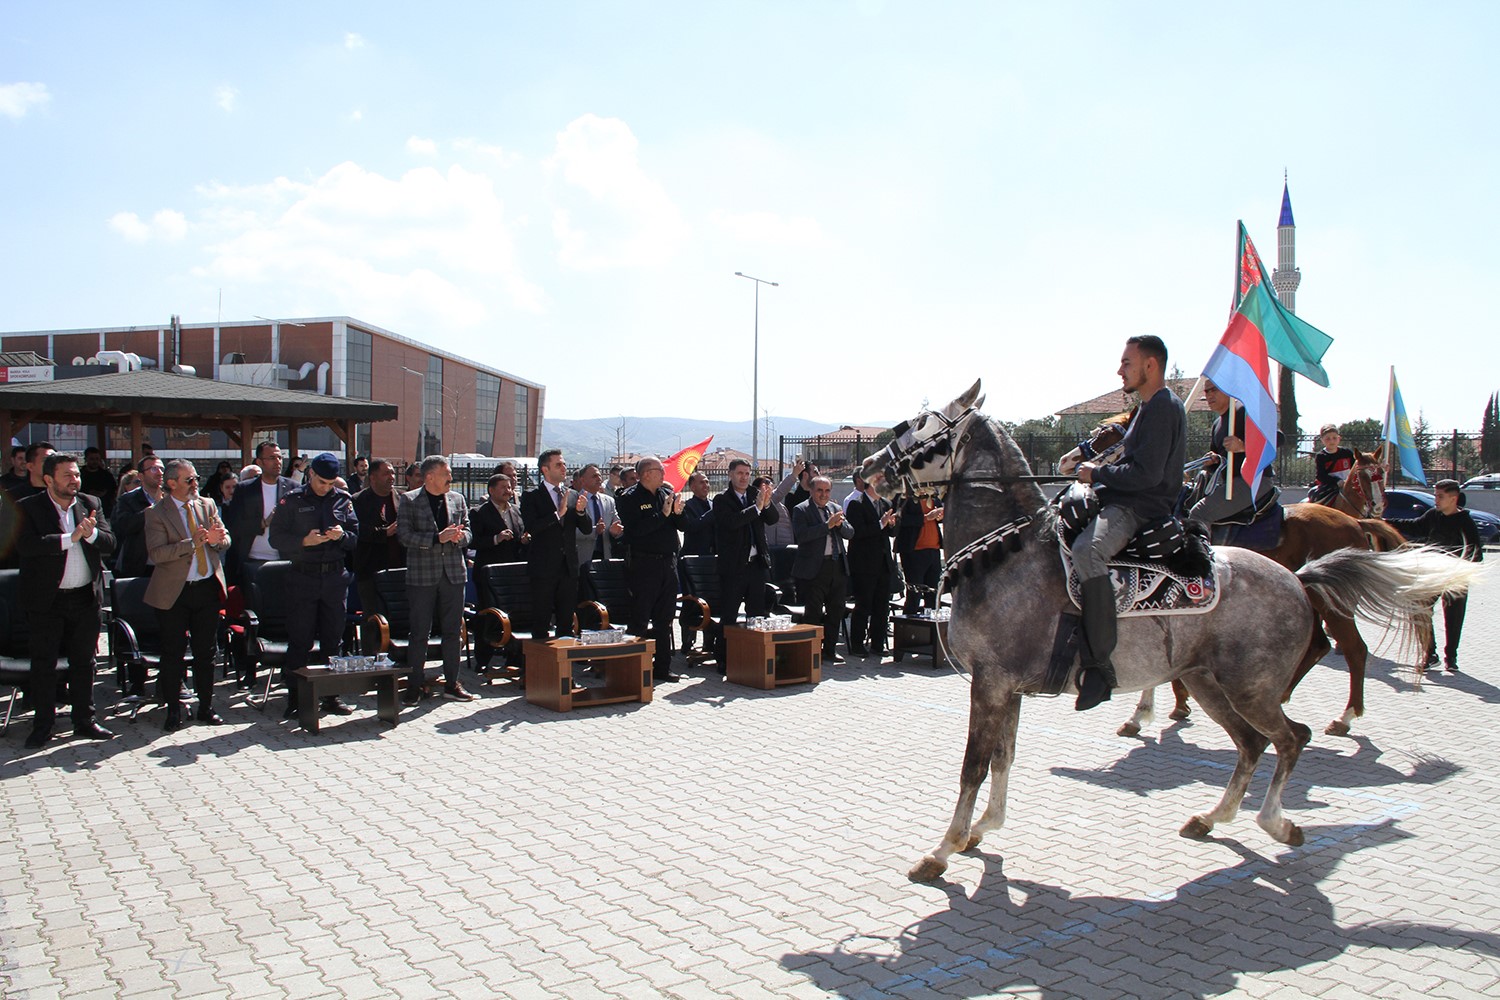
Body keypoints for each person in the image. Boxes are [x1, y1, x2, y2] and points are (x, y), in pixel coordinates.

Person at [1072, 335, 1186, 711]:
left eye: (1126, 363)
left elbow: (1147, 475)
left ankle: (1098, 666)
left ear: (1150, 365)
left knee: (1087, 551)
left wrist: (1097, 473)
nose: (1119, 370)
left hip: (1138, 508)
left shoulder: (1162, 407)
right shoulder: (1148, 407)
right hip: (1123, 499)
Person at [16, 453, 116, 748]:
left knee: (84, 663)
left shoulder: (91, 504)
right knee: (44, 664)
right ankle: (43, 725)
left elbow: (110, 543)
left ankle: (85, 720)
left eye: (76, 474)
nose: (75, 480)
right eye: (68, 475)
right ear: (49, 479)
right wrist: (68, 538)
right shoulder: (28, 507)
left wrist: (91, 535)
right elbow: (25, 545)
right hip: (47, 601)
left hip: (85, 597)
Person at [268, 453, 359, 720]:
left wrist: (341, 536)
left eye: (330, 483)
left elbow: (355, 538)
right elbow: (276, 538)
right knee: (300, 639)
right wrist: (303, 542)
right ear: (311, 475)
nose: (325, 488)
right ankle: (296, 698)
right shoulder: (292, 500)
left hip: (334, 577)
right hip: (303, 577)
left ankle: (331, 696)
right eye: (321, 482)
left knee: (333, 638)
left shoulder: (343, 499)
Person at [143, 459, 231, 731]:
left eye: (196, 479)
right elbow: (157, 554)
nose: (195, 484)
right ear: (171, 483)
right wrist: (191, 544)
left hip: (206, 588)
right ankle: (173, 710)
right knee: (173, 653)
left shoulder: (207, 504)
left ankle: (206, 707)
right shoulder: (156, 513)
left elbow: (225, 539)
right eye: (189, 480)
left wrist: (217, 540)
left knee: (206, 652)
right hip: (175, 592)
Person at [398, 456, 475, 703]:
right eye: (446, 474)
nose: (451, 478)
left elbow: (469, 532)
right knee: (419, 632)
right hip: (422, 575)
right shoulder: (409, 500)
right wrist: (435, 539)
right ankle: (414, 685)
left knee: (453, 631)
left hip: (453, 574)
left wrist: (460, 538)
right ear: (430, 476)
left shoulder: (458, 499)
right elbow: (404, 536)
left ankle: (452, 683)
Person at [1386, 479, 1483, 671]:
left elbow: (1476, 554)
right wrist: (1385, 523)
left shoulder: (1465, 522)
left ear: (1453, 498)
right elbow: (1413, 526)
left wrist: (1458, 568)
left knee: (1454, 618)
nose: (1436, 500)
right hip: (1433, 575)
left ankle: (1451, 658)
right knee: (1419, 609)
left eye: (1440, 496)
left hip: (1456, 578)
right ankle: (1430, 654)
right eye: (1435, 495)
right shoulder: (1433, 515)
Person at [616, 457, 688, 683]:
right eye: (660, 470)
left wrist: (678, 512)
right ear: (646, 474)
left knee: (664, 619)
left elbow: (682, 526)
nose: (664, 474)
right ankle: (634, 668)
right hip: (644, 565)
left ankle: (662, 668)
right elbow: (635, 531)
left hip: (668, 563)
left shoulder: (665, 494)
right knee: (640, 617)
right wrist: (662, 515)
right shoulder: (630, 498)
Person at [519, 449, 592, 640]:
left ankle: (565, 656)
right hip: (544, 567)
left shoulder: (572, 495)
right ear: (545, 469)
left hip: (568, 567)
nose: (564, 468)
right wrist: (557, 515)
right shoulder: (532, 496)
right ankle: (540, 657)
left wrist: (581, 512)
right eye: (558, 464)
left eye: (564, 464)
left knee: (566, 621)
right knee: (541, 620)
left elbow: (586, 528)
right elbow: (532, 527)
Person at [711, 459, 779, 659]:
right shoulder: (722, 499)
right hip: (733, 567)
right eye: (740, 473)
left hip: (755, 565)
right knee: (729, 615)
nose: (744, 477)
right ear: (730, 474)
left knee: (756, 614)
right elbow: (732, 522)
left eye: (747, 474)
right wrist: (756, 508)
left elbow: (773, 519)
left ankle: (752, 658)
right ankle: (723, 659)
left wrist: (767, 504)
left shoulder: (754, 494)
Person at [1186, 380, 1277, 527]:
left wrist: (1243, 446)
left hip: (1254, 481)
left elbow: (1276, 438)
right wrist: (1212, 461)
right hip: (1230, 483)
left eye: (1214, 390)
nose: (1209, 395)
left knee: (1199, 513)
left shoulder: (1243, 411)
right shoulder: (1217, 425)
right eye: (1206, 391)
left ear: (1227, 390)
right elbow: (1219, 462)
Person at [791, 476, 855, 664]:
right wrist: (827, 525)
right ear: (811, 491)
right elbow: (802, 535)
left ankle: (830, 649)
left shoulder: (835, 508)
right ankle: (812, 651)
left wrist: (840, 524)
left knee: (836, 609)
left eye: (827, 491)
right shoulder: (801, 509)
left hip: (836, 565)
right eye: (819, 490)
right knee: (814, 611)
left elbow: (850, 533)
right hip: (814, 568)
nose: (823, 495)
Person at [469, 472, 527, 669]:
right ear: (491, 490)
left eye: (509, 487)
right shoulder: (479, 513)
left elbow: (520, 535)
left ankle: (513, 657)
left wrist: (523, 540)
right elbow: (473, 541)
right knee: (487, 615)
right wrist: (496, 538)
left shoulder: (516, 511)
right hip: (488, 573)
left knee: (513, 615)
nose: (507, 491)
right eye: (503, 487)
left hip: (512, 573)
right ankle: (483, 659)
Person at [224, 441, 297, 588]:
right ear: (259, 462)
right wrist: (263, 523)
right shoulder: (245, 489)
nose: (277, 462)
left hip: (285, 561)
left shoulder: (293, 488)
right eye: (272, 458)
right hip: (252, 561)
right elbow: (234, 525)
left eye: (280, 457)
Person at [845, 473, 899, 657]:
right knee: (863, 604)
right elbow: (858, 532)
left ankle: (878, 643)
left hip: (883, 563)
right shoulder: (856, 504)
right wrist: (880, 524)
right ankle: (857, 644)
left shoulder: (886, 504)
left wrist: (891, 525)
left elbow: (891, 533)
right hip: (864, 563)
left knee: (882, 606)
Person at [352, 459, 405, 617]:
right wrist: (384, 533)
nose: (391, 477)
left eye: (392, 473)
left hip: (400, 568)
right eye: (386, 473)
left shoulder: (403, 499)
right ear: (373, 478)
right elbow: (356, 530)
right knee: (374, 618)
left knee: (400, 617)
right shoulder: (358, 500)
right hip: (370, 571)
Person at [571, 464, 623, 599]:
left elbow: (616, 522)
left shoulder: (609, 501)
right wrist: (594, 531)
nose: (599, 479)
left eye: (599, 475)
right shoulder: (574, 500)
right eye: (594, 476)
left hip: (604, 556)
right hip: (583, 557)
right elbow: (569, 531)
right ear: (582, 480)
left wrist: (616, 531)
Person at [112, 453, 165, 579]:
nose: (159, 473)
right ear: (141, 476)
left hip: (168, 565)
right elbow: (124, 527)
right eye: (153, 469)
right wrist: (153, 508)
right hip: (140, 567)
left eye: (162, 469)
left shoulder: (172, 498)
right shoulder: (128, 499)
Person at [895, 493, 943, 614]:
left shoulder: (933, 496)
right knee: (914, 595)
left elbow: (939, 516)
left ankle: (932, 624)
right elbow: (900, 519)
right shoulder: (905, 497)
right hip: (914, 552)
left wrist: (940, 515)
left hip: (934, 550)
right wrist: (926, 518)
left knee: (933, 594)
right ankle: (908, 624)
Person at [1308, 423, 1354, 505]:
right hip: (1331, 486)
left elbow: (1355, 468)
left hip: (1349, 485)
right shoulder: (1321, 456)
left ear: (1339, 438)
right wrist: (1337, 481)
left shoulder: (1347, 453)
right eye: (1328, 439)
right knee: (1315, 497)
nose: (1331, 441)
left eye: (1334, 438)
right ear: (1322, 440)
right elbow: (1321, 475)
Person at [680, 472, 715, 557]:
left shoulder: (713, 504)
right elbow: (691, 526)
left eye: (707, 482)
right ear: (693, 487)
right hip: (695, 555)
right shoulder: (687, 506)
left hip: (714, 554)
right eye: (701, 483)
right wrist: (712, 513)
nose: (705, 485)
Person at [81, 447, 118, 516]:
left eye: (97, 459)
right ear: (86, 459)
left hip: (105, 510)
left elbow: (114, 490)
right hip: (85, 510)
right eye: (92, 459)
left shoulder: (107, 475)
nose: (95, 461)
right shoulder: (80, 475)